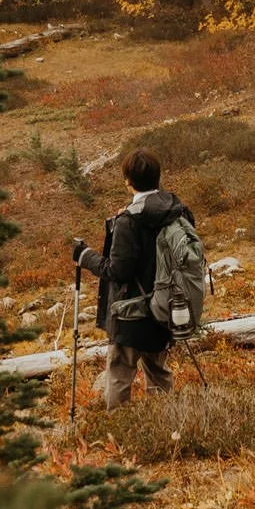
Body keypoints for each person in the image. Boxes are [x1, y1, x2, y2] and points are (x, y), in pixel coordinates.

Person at [72, 149, 194, 408]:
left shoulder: (129, 221)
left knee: (119, 376)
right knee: (159, 373)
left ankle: (120, 429)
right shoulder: (177, 211)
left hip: (131, 313)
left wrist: (86, 257)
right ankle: (165, 422)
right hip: (165, 309)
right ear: (158, 178)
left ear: (127, 181)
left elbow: (118, 271)